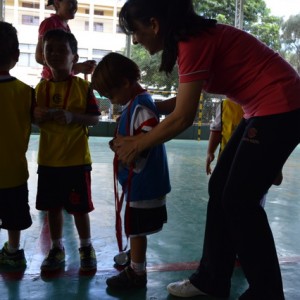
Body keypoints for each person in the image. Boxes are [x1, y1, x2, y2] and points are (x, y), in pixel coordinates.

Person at [115, 1, 300, 299]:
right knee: (221, 188)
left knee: (240, 199)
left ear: (154, 24)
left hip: (279, 106)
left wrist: (137, 143)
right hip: (262, 109)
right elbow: (183, 101)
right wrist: (144, 105)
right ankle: (211, 279)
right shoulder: (191, 41)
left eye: (134, 32)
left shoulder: (192, 42)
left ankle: (267, 292)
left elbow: (184, 117)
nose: (135, 39)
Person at [92, 52, 171, 290]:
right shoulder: (135, 103)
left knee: (137, 230)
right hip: (139, 182)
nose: (112, 101)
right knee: (134, 226)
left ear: (126, 83)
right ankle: (134, 259)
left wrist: (128, 150)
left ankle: (137, 273)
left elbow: (146, 138)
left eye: (112, 95)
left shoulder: (141, 105)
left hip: (144, 182)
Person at [34, 29, 100, 273]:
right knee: (53, 208)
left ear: (75, 57)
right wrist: (36, 116)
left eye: (63, 50)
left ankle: (85, 247)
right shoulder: (40, 89)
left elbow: (94, 118)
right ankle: (56, 247)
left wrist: (73, 117)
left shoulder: (83, 87)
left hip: (75, 160)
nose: (55, 54)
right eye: (50, 49)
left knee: (80, 208)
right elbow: (32, 119)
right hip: (49, 160)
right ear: (43, 55)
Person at [0, 21, 34, 268]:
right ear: (16, 56)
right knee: (14, 218)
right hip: (14, 172)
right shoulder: (25, 91)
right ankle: (13, 252)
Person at [35, 0, 96, 80]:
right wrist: (76, 67)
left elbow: (65, 63)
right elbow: (39, 57)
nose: (75, 7)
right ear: (57, 4)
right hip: (51, 82)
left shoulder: (66, 28)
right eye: (71, 2)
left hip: (62, 81)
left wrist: (80, 67)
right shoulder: (50, 23)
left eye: (76, 3)